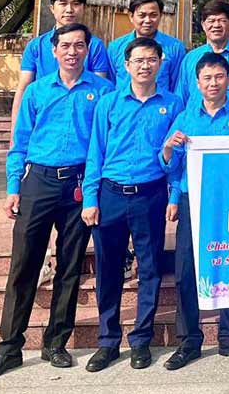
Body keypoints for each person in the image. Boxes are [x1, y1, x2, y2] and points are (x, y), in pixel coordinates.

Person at [0, 24, 114, 381]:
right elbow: (19, 142)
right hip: (37, 181)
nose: (72, 51)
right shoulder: (37, 91)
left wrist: (93, 193)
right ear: (53, 51)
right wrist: (12, 187)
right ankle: (8, 348)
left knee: (69, 267)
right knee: (24, 264)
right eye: (65, 45)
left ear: (88, 50)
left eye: (79, 45)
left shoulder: (103, 92)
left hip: (78, 185)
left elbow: (102, 148)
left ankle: (56, 343)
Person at [81, 37, 184, 372]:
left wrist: (172, 197)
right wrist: (91, 197)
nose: (145, 65)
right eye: (138, 60)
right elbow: (95, 153)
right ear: (126, 65)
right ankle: (107, 341)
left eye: (151, 59)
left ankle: (141, 340)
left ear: (160, 63)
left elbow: (174, 158)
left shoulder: (172, 104)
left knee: (150, 268)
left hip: (149, 194)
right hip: (110, 194)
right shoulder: (109, 104)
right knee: (109, 269)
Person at [160, 52, 229, 369]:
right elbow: (171, 166)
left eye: (219, 77)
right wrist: (169, 148)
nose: (213, 83)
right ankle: (188, 341)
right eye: (207, 78)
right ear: (197, 82)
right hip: (193, 200)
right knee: (186, 271)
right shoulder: (187, 117)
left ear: (228, 80)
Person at [11, 0, 111, 132]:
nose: (69, 10)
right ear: (52, 8)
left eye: (75, 4)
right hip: (43, 118)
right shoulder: (36, 46)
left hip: (81, 123)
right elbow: (23, 88)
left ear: (83, 8)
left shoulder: (95, 46)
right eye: (63, 4)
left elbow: (99, 90)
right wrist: (14, 132)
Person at [108, 0, 185, 93]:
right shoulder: (115, 47)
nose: (147, 20)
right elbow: (110, 84)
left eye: (153, 15)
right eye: (142, 15)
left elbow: (177, 86)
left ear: (160, 16)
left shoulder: (175, 48)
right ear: (131, 16)